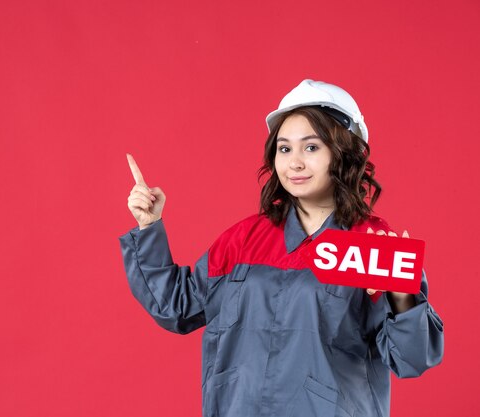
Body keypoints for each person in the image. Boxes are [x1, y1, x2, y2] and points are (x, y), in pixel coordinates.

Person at [119, 79, 444, 417]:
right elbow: (177, 307)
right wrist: (149, 226)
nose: (295, 163)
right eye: (285, 148)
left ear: (345, 153)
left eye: (312, 147)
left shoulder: (371, 244)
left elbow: (412, 358)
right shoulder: (244, 239)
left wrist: (402, 296)